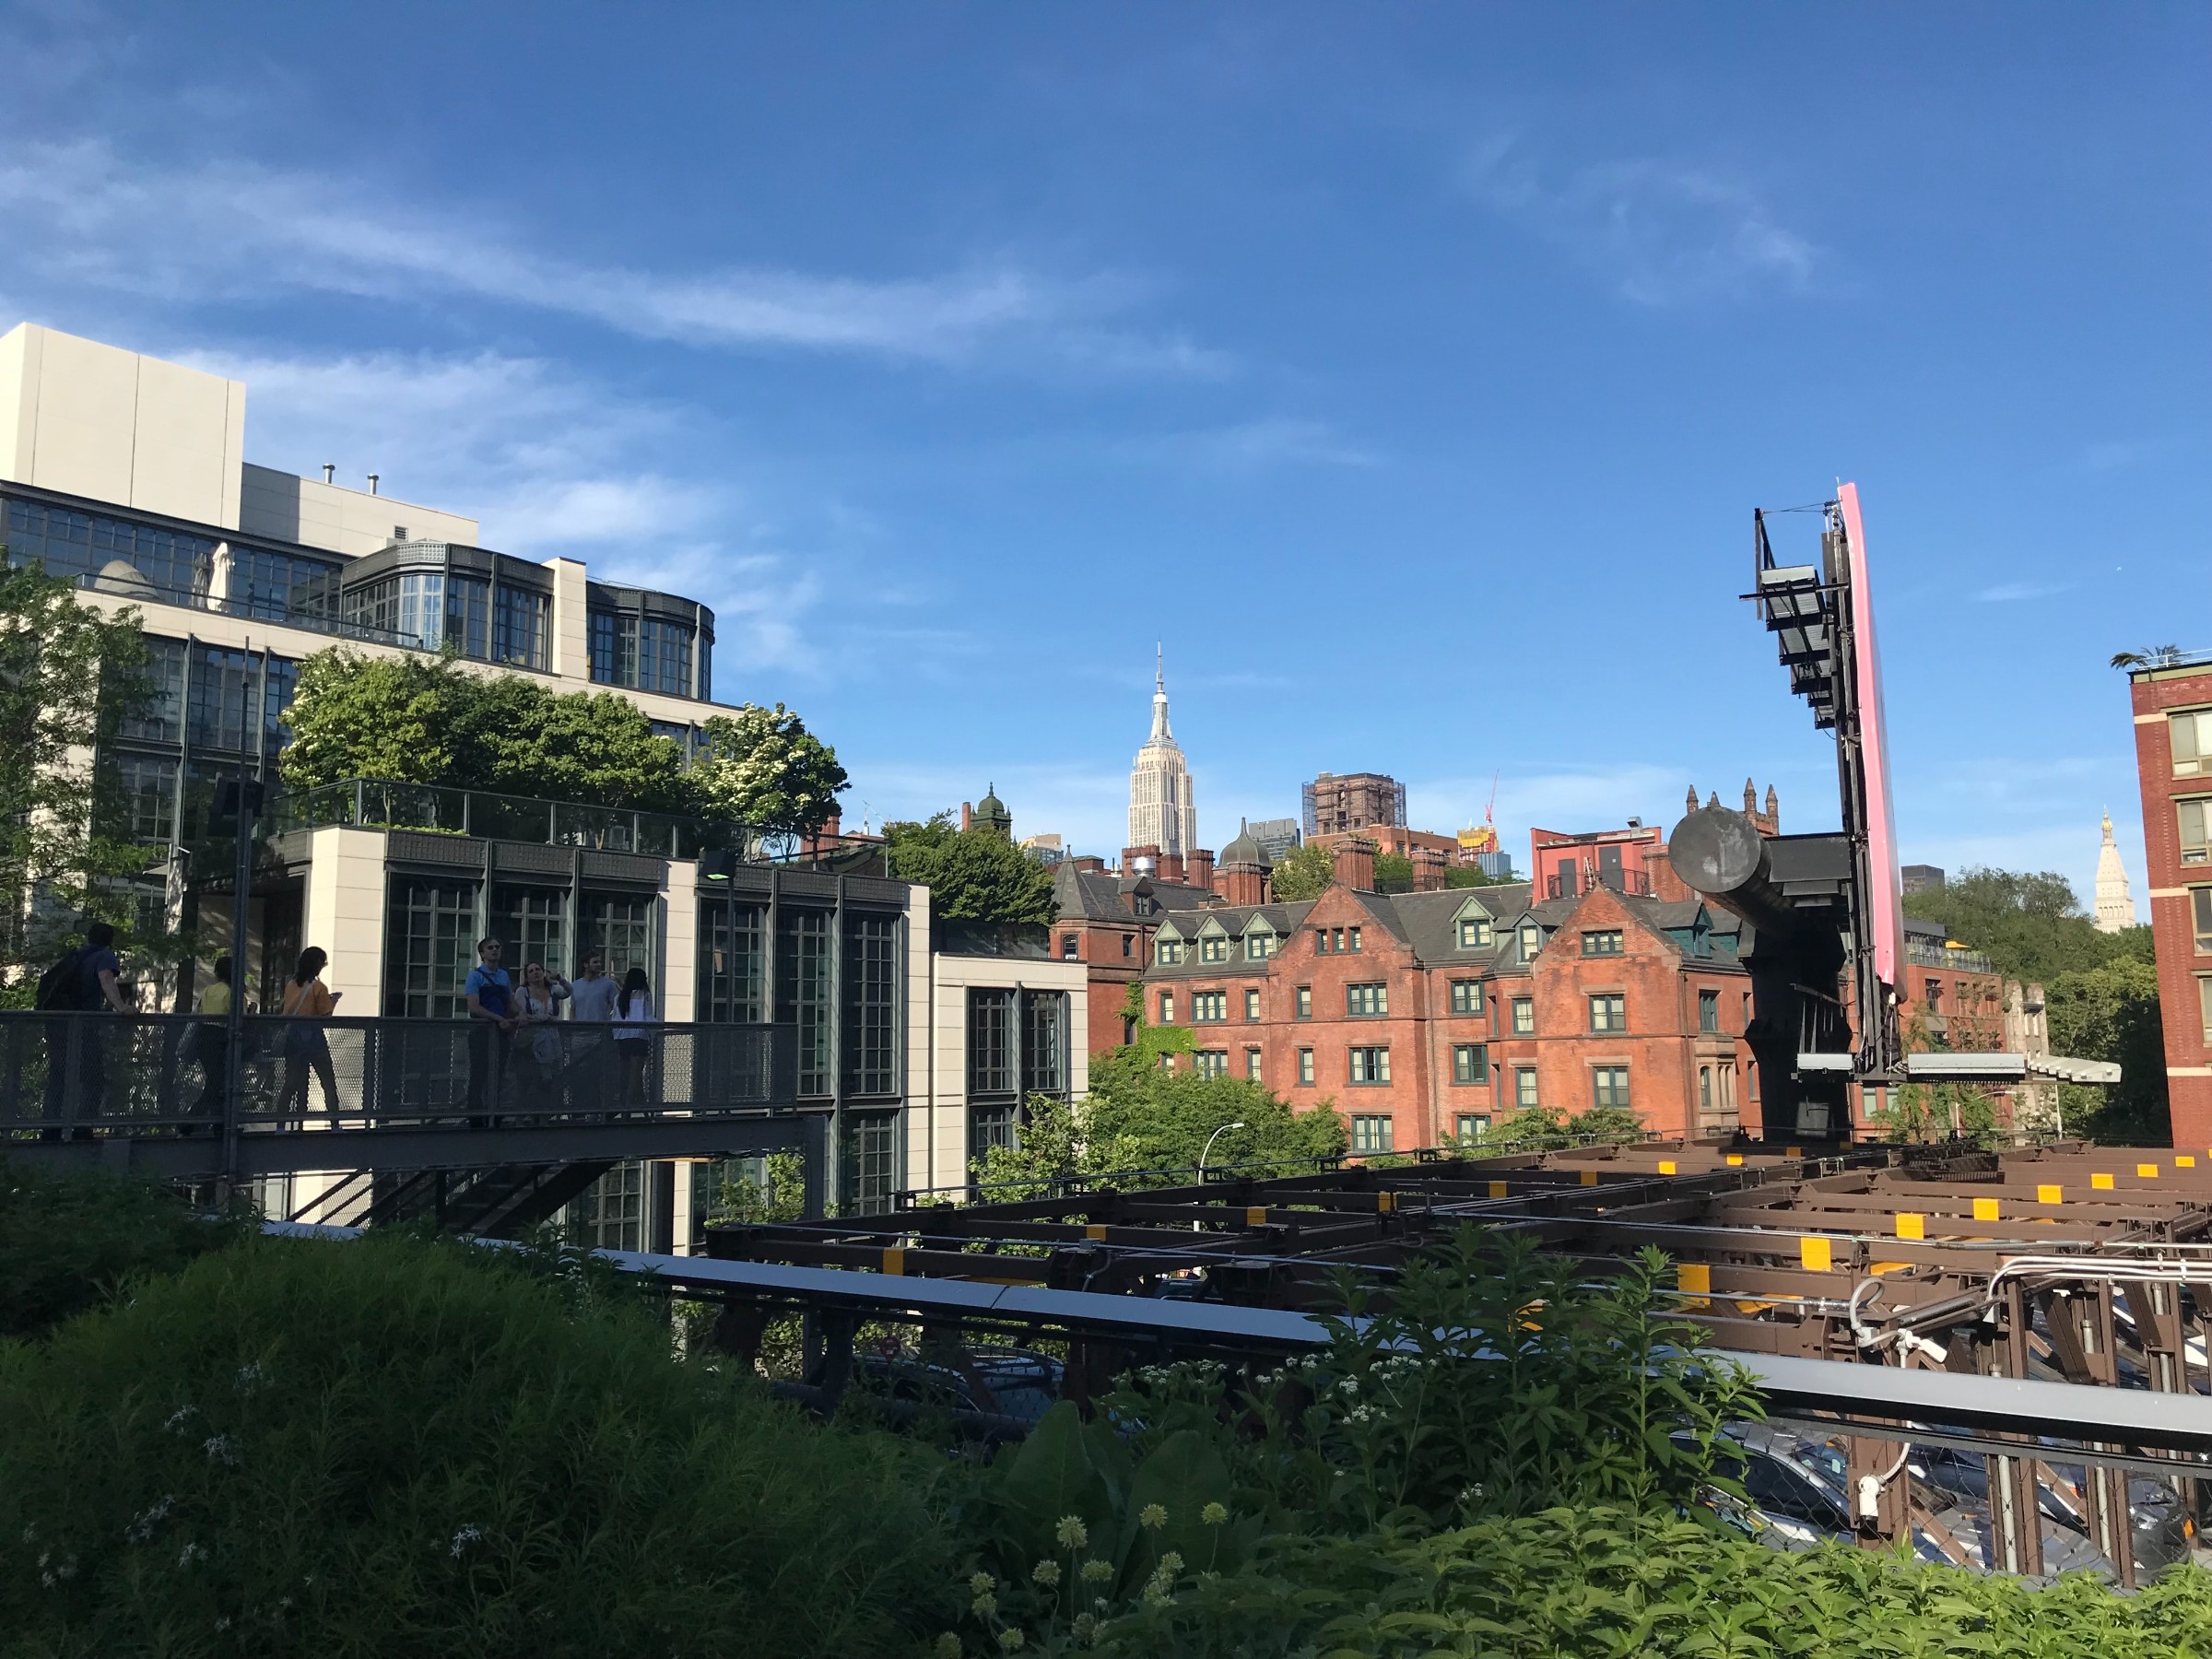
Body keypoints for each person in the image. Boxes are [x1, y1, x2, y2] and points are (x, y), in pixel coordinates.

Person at [38, 921, 130, 1139]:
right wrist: (122, 1007)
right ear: (110, 940)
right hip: (84, 1026)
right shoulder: (104, 956)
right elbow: (106, 979)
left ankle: (50, 1129)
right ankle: (83, 1127)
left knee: (59, 1076)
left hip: (60, 1025)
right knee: (93, 1078)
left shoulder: (76, 955)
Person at [276, 947, 342, 1125]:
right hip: (313, 1038)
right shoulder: (319, 987)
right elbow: (325, 1016)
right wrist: (332, 1001)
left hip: (293, 1038)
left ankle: (280, 1125)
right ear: (318, 965)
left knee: (290, 1084)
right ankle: (335, 1124)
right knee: (327, 1082)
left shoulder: (291, 985)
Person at [465, 936, 516, 1128]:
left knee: (499, 1072)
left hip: (501, 1032)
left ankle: (495, 1111)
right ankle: (476, 1115)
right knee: (479, 1073)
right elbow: (474, 1007)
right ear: (483, 953)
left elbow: (510, 1003)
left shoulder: (503, 976)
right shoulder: (475, 976)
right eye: (491, 948)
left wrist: (523, 1015)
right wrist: (499, 1019)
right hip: (481, 1030)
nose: (495, 950)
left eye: (497, 947)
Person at [510, 961, 571, 1114]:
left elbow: (568, 992)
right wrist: (540, 1019)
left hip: (551, 1037)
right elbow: (522, 1011)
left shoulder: (552, 989)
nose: (535, 972)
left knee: (549, 1078)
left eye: (538, 969)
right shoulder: (523, 991)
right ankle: (521, 1115)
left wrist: (560, 979)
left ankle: (544, 1114)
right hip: (531, 1037)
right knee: (528, 1078)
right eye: (531, 971)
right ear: (527, 976)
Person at [564, 949, 619, 1114]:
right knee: (578, 1072)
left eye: (599, 962)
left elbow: (615, 1007)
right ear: (586, 965)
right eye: (595, 962)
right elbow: (573, 1009)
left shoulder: (608, 985)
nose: (599, 965)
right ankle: (578, 1108)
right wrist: (571, 1030)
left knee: (597, 1072)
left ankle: (596, 1109)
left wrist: (609, 1027)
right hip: (579, 1035)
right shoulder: (575, 985)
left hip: (599, 1034)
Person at [191, 956, 234, 1134]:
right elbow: (237, 1017)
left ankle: (216, 1123)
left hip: (203, 1036)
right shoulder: (232, 992)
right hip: (222, 1038)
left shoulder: (208, 990)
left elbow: (199, 1011)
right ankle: (190, 1121)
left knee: (215, 1082)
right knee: (219, 1083)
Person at [613, 967, 655, 1110]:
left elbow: (615, 1018)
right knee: (636, 1073)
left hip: (621, 1037)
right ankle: (633, 1104)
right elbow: (648, 1017)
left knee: (624, 1071)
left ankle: (623, 1102)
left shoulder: (619, 997)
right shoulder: (645, 995)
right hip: (638, 1036)